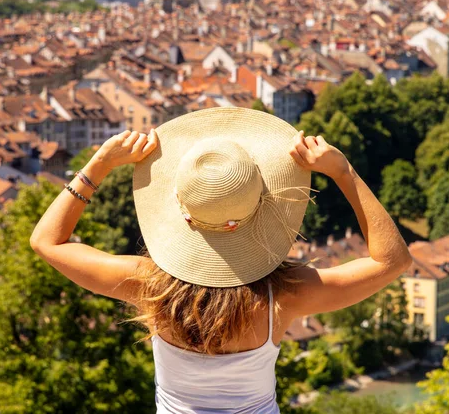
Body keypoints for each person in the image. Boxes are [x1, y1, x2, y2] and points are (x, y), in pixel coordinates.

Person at [30, 107, 412, 413]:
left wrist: (98, 165)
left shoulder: (148, 287)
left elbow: (48, 242)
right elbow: (392, 260)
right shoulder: (282, 296)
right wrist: (343, 172)